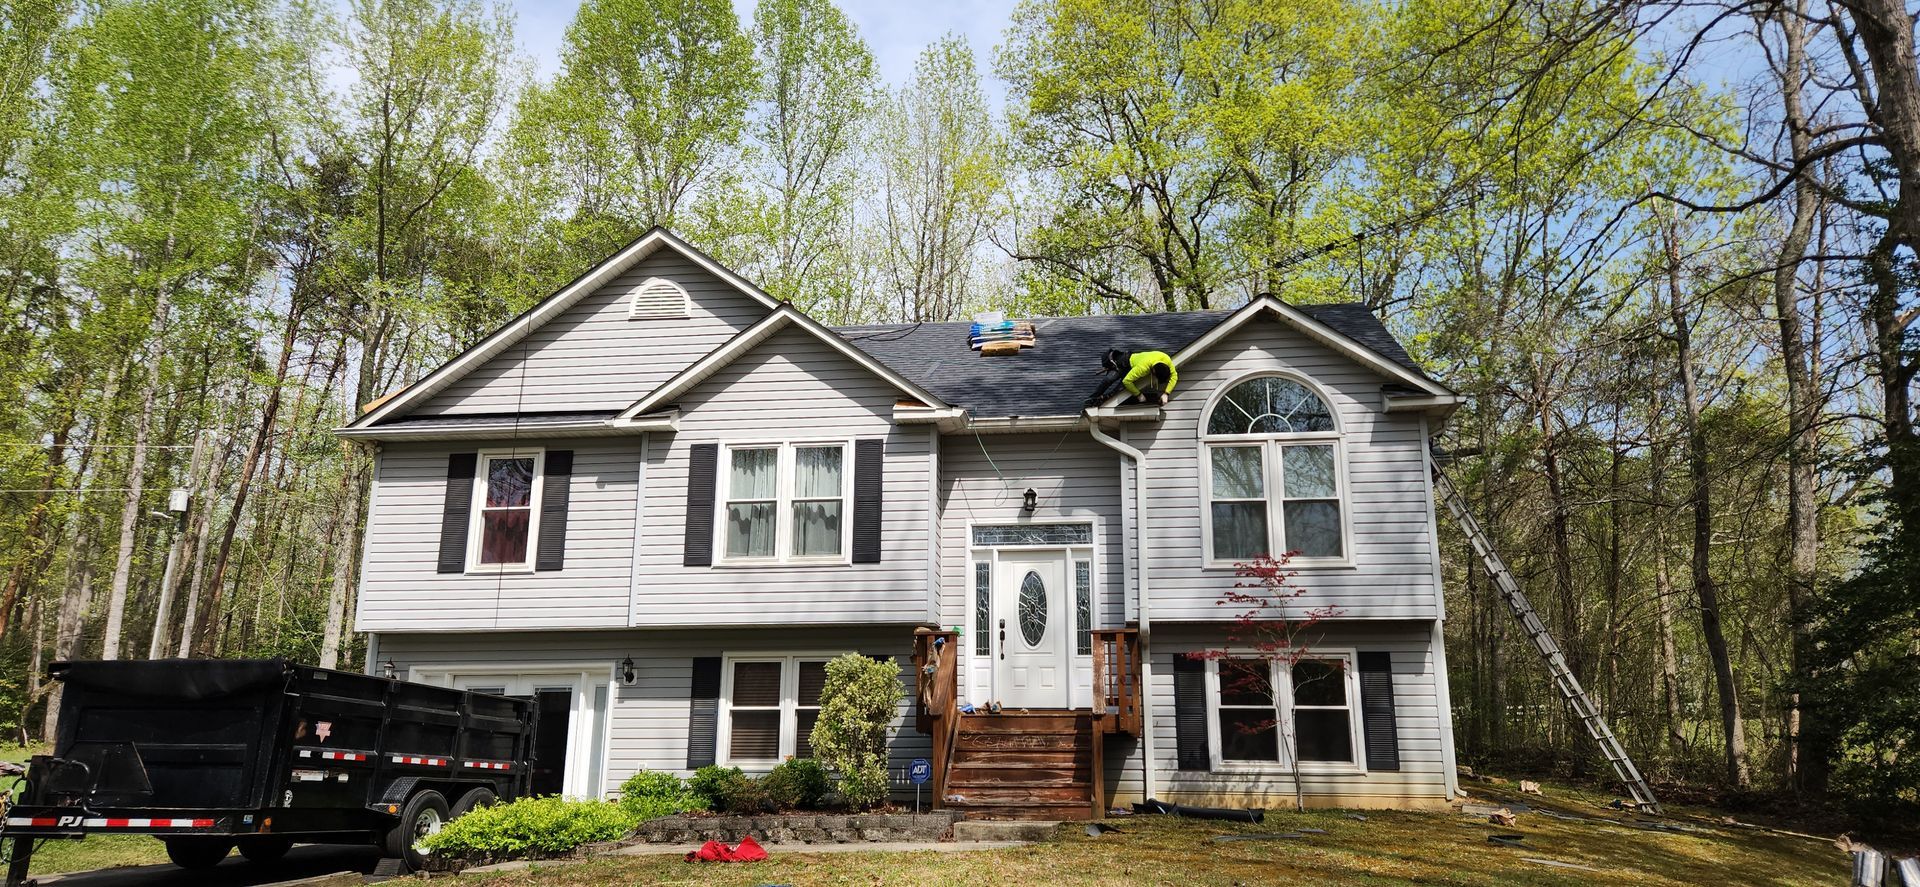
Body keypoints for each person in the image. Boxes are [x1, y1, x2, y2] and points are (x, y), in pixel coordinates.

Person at [1085, 348, 1177, 406]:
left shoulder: (1167, 360)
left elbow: (1174, 377)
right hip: (1122, 363)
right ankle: (1091, 400)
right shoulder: (1143, 367)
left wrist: (1166, 393)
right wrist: (1139, 395)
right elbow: (1127, 381)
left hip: (1131, 365)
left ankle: (1102, 399)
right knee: (1109, 380)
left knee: (1116, 392)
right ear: (1153, 371)